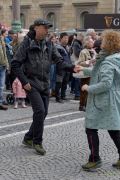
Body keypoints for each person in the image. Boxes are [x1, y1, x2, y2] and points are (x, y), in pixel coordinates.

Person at [11, 19, 79, 155]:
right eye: (45, 28)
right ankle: (37, 142)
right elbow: (15, 64)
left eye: (48, 28)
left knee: (44, 112)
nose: (47, 31)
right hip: (31, 83)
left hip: (45, 83)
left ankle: (28, 137)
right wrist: (24, 82)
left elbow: (59, 61)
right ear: (36, 28)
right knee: (40, 111)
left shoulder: (49, 43)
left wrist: (72, 68)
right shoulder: (26, 43)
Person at [79, 30, 120, 171]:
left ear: (108, 44)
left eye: (102, 40)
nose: (100, 42)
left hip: (105, 100)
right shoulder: (113, 58)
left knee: (90, 127)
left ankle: (95, 159)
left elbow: (105, 84)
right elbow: (98, 71)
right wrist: (84, 70)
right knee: (113, 128)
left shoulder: (107, 62)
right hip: (111, 100)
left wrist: (87, 88)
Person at [77, 36, 97, 111]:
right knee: (84, 89)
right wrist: (89, 61)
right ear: (86, 43)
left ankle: (88, 104)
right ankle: (82, 105)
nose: (93, 43)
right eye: (91, 42)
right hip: (85, 72)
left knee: (91, 89)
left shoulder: (93, 51)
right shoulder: (83, 51)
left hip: (93, 72)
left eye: (93, 41)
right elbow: (80, 63)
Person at [55, 32, 72, 103]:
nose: (66, 40)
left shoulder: (67, 47)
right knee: (59, 82)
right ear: (60, 39)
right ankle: (57, 97)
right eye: (65, 38)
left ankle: (63, 95)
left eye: (67, 38)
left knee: (65, 82)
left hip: (67, 67)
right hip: (60, 68)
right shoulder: (57, 47)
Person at [0, 30, 9, 110]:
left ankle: (1, 100)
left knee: (2, 86)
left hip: (3, 66)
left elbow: (5, 54)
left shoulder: (2, 40)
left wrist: (7, 65)